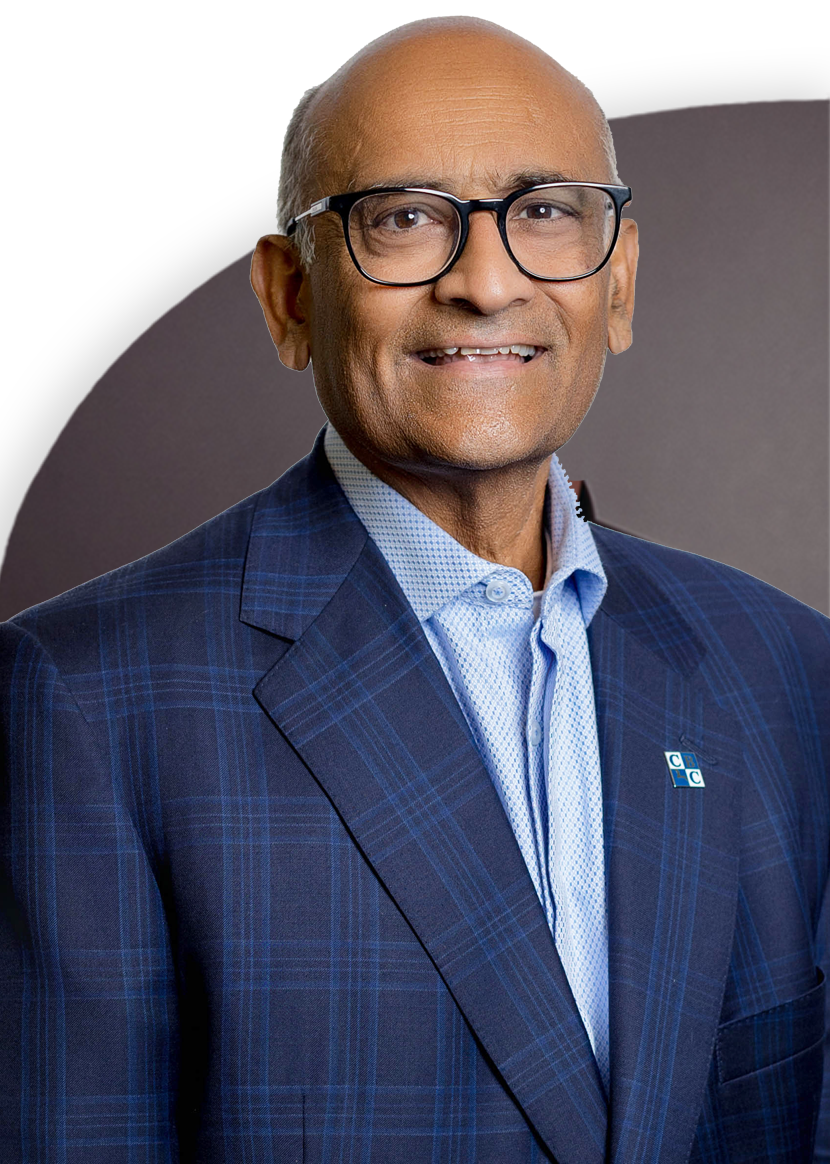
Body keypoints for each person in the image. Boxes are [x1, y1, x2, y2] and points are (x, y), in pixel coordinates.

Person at [1, 16, 828, 1163]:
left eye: (543, 213)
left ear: (618, 282)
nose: (485, 284)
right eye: (401, 220)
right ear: (289, 297)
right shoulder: (82, 703)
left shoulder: (783, 668)